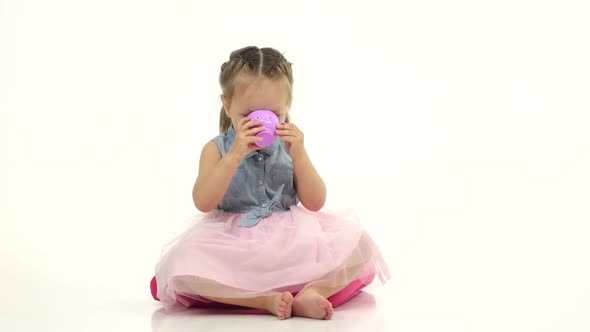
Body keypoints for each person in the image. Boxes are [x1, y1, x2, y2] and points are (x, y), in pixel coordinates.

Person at [150, 46, 390, 320]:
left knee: (359, 244)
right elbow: (203, 202)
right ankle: (263, 299)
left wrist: (298, 153)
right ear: (227, 105)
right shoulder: (216, 149)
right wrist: (235, 154)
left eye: (274, 115)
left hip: (290, 238)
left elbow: (315, 202)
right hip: (233, 243)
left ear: (287, 109)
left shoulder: (290, 146)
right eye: (247, 116)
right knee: (182, 266)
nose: (262, 126)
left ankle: (314, 291)